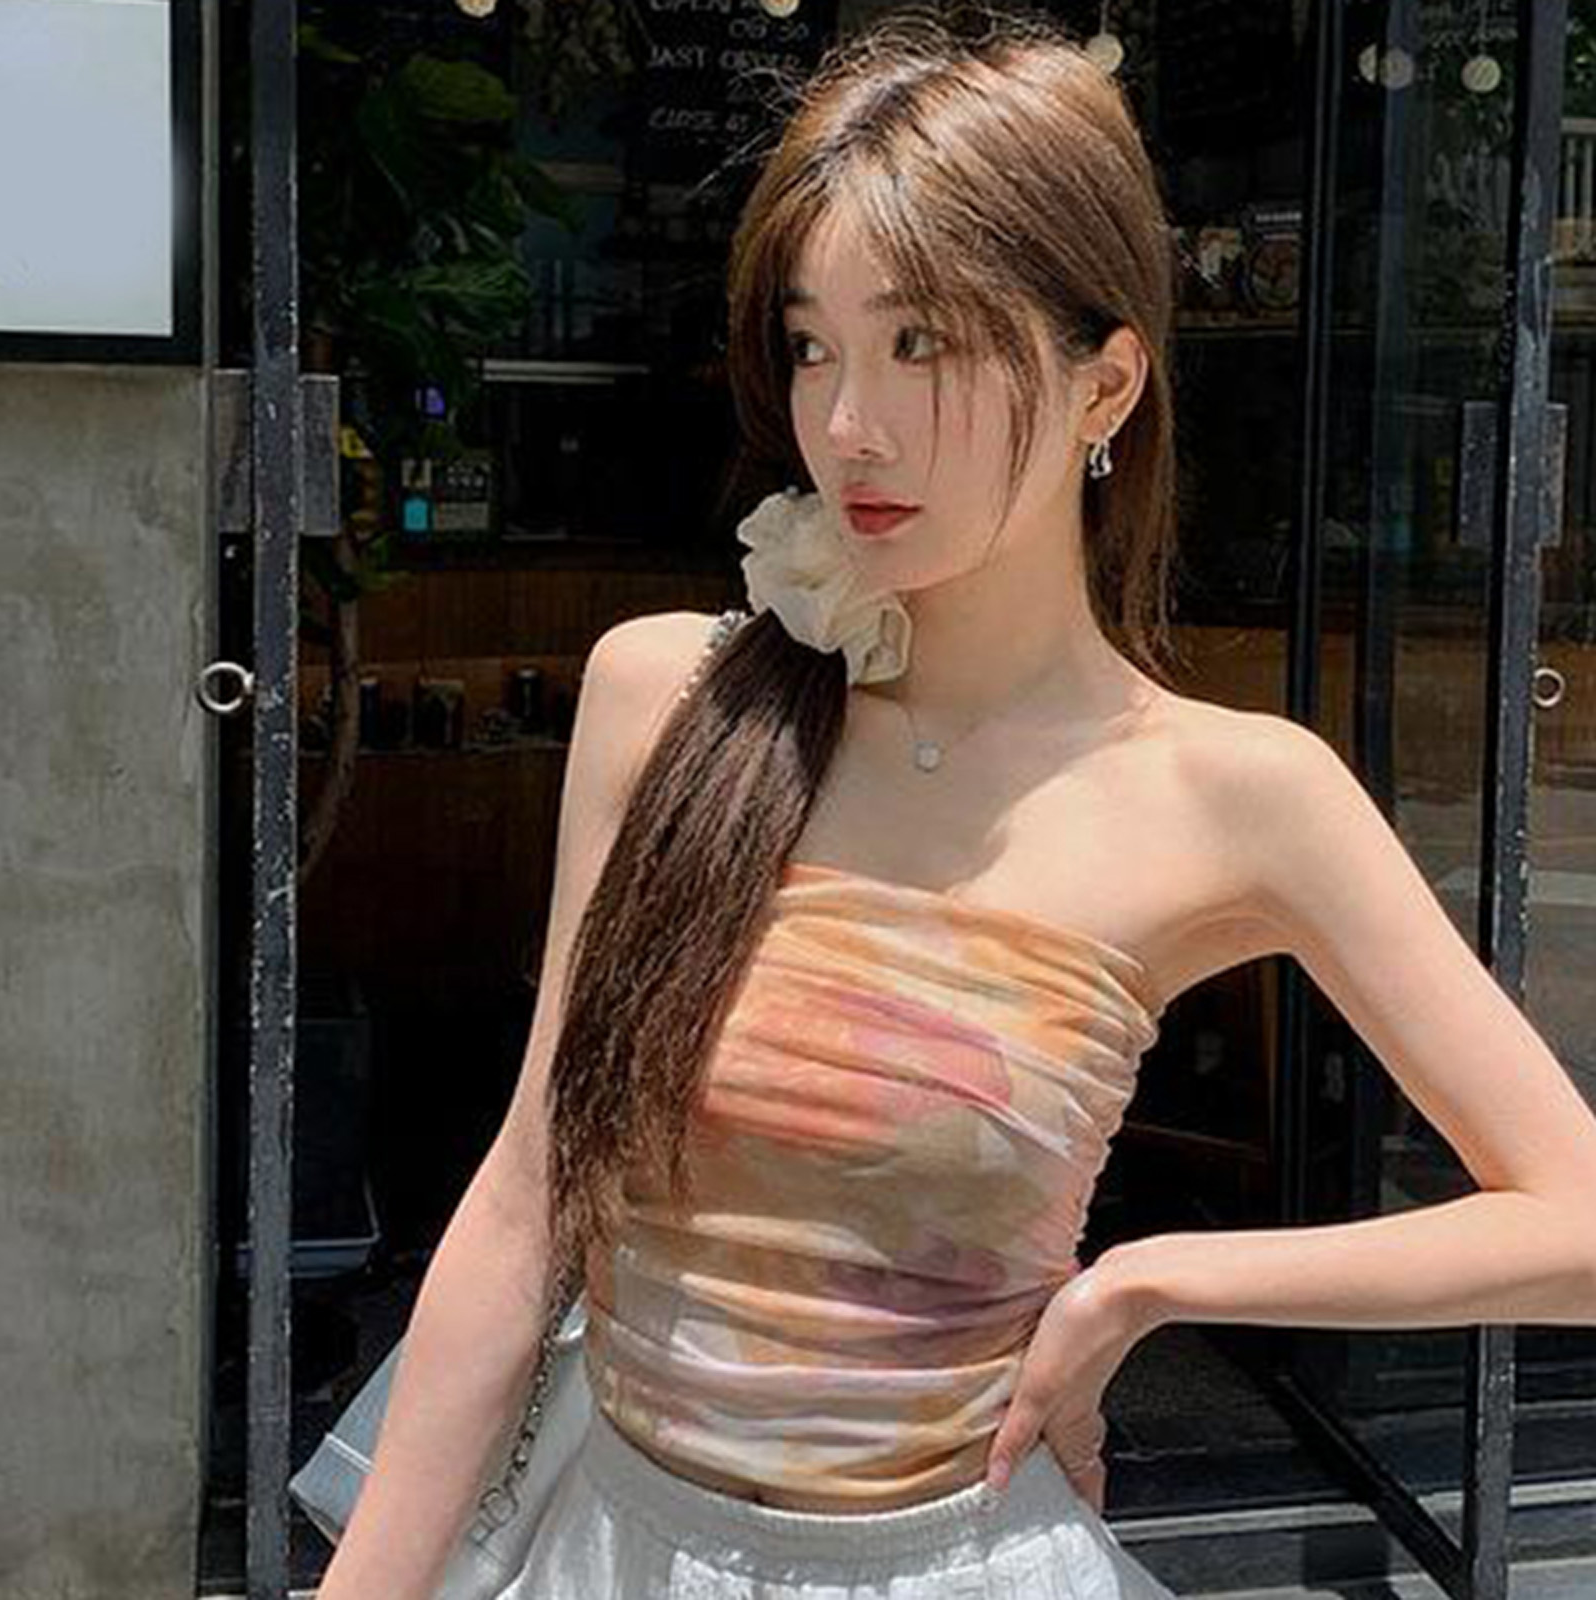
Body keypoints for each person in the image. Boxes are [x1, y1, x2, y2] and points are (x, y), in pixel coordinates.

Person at [316, 6, 1596, 1598]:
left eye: (920, 343)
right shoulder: (673, 701)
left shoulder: (1231, 794)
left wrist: (1149, 1283)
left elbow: (1578, 1223)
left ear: (1105, 385)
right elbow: (529, 1198)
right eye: (813, 345)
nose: (848, 425)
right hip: (615, 1546)